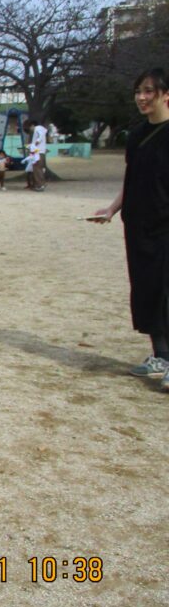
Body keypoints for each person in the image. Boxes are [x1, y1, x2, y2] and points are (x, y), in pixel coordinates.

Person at [93, 67, 169, 392]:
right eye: (139, 91)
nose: (142, 97)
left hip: (166, 227)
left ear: (166, 94)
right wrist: (111, 209)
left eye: (150, 91)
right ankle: (161, 356)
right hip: (138, 227)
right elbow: (132, 180)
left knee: (166, 292)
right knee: (148, 290)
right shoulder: (138, 135)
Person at [25, 119, 47, 191]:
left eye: (29, 127)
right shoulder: (37, 130)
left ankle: (41, 185)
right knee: (36, 168)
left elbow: (40, 137)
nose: (30, 130)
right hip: (37, 152)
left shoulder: (38, 128)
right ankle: (39, 184)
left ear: (32, 125)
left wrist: (35, 144)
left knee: (37, 168)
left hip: (39, 152)